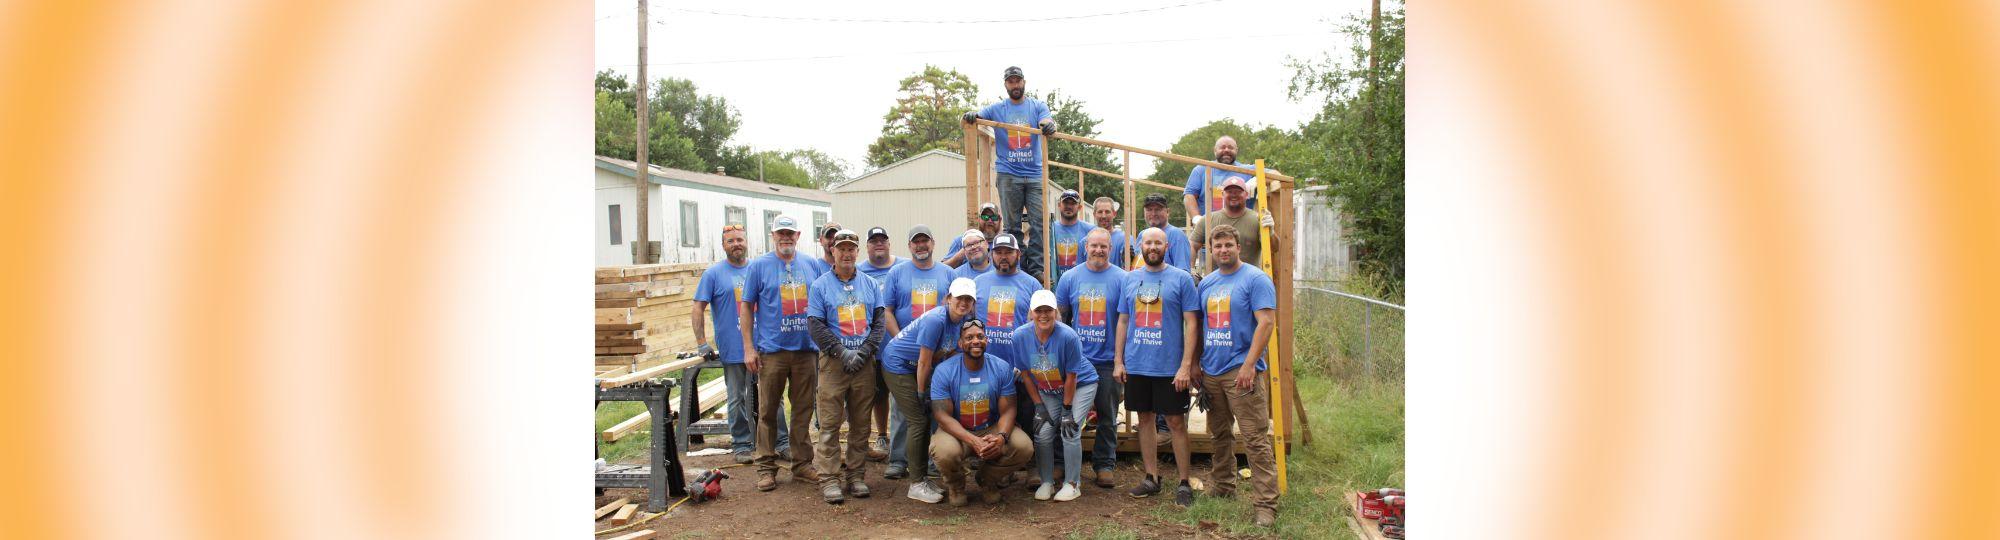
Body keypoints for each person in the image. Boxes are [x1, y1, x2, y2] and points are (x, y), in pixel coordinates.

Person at [1194, 224, 1281, 527]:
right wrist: (1196, 364)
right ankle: (1223, 487)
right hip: (1212, 371)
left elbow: (1266, 322)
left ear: (1238, 246)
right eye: (1217, 247)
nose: (1223, 251)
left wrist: (1249, 365)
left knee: (1255, 439)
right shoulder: (1207, 283)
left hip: (1241, 373)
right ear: (1211, 250)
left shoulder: (1255, 279)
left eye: (1228, 245)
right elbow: (1200, 327)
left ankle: (1265, 505)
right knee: (1219, 435)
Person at [1113, 227, 1202, 507]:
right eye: (1148, 242)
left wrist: (1186, 365)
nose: (1153, 247)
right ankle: (1151, 477)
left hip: (1170, 367)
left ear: (1166, 246)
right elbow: (1123, 321)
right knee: (1145, 419)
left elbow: (1191, 323)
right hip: (1138, 364)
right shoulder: (1130, 279)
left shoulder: (1181, 279)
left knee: (1175, 422)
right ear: (1140, 245)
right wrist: (1119, 360)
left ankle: (1184, 482)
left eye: (1158, 243)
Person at [805, 229, 892, 504]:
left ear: (857, 251)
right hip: (833, 363)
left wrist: (864, 351)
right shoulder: (820, 285)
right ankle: (830, 478)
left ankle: (856, 475)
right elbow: (815, 325)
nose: (846, 253)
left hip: (864, 364)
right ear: (833, 251)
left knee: (860, 423)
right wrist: (842, 352)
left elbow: (879, 322)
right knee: (830, 424)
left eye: (851, 248)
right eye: (841, 248)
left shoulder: (869, 285)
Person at [739, 215, 825, 491]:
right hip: (772, 351)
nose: (785, 238)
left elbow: (823, 303)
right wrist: (749, 348)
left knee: (803, 409)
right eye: (780, 233)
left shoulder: (811, 265)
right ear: (772, 236)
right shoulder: (759, 266)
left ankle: (802, 465)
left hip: (805, 350)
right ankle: (766, 466)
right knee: (767, 412)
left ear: (798, 235)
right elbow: (746, 306)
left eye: (790, 233)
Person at [692, 224, 789, 464]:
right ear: (723, 246)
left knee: (772, 397)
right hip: (733, 348)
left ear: (747, 242)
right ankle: (742, 444)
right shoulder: (714, 274)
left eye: (740, 240)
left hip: (765, 346)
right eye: (730, 241)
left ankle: (782, 442)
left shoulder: (759, 268)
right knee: (736, 398)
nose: (736, 244)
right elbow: (698, 307)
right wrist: (702, 342)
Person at [879, 277, 978, 503]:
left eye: (968, 299)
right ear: (949, 298)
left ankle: (924, 474)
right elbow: (924, 362)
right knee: (918, 420)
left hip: (917, 367)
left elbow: (946, 353)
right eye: (959, 298)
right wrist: (922, 392)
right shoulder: (937, 319)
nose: (963, 302)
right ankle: (916, 483)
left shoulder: (961, 321)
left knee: (927, 417)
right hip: (899, 365)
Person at [880, 225, 958, 481]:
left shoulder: (947, 273)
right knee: (904, 409)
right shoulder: (897, 272)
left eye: (925, 241)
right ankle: (899, 459)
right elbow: (887, 310)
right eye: (916, 242)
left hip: (935, 357)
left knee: (936, 407)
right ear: (909, 246)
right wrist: (901, 339)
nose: (920, 246)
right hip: (906, 352)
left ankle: (934, 460)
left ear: (933, 244)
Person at [963, 66, 1057, 278]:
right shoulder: (998, 109)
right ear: (1006, 85)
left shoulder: (1036, 106)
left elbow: (1046, 120)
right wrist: (972, 115)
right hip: (1009, 174)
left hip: (1034, 174)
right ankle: (1019, 266)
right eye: (1011, 82)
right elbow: (979, 116)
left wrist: (1048, 126)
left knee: (1039, 225)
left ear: (1024, 82)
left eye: (1018, 81)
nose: (1015, 85)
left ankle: (1037, 269)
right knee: (1013, 226)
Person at [928, 318, 1034, 506]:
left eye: (980, 336)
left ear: (987, 341)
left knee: (1023, 447)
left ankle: (987, 480)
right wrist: (973, 440)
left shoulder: (1001, 367)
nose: (975, 341)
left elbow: (1009, 409)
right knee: (944, 451)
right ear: (960, 344)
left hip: (990, 427)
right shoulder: (945, 370)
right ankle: (956, 486)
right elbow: (941, 416)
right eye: (969, 337)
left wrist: (1001, 437)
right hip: (957, 431)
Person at [1054, 228, 1127, 487]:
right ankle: (1060, 463)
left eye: (1103, 246)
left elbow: (1125, 321)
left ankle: (1104, 464)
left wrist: (1121, 359)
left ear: (1110, 249)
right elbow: (1060, 318)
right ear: (1085, 247)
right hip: (1076, 362)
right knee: (1068, 411)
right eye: (1094, 246)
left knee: (1107, 414)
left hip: (1107, 360)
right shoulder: (1070, 278)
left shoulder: (1122, 279)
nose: (1098, 250)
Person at [1014, 289, 1098, 502]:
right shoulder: (1020, 336)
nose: (1044, 315)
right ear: (1031, 313)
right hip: (1048, 388)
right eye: (1039, 310)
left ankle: (1073, 483)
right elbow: (1025, 373)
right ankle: (1047, 481)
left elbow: (1072, 376)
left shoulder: (1068, 336)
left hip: (1080, 385)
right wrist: (1039, 406)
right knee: (1042, 432)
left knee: (1069, 430)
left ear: (1056, 313)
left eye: (1048, 310)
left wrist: (1067, 410)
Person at [857, 226, 904, 463]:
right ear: (867, 246)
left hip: (898, 346)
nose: (878, 244)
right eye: (873, 241)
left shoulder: (903, 267)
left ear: (889, 243)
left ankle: (900, 443)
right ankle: (882, 435)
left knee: (900, 396)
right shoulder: (859, 271)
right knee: (876, 394)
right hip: (872, 347)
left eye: (882, 240)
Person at [1190, 177, 1278, 269]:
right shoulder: (1208, 219)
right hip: (1217, 281)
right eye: (1229, 192)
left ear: (1246, 195)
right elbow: (1192, 245)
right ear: (1222, 194)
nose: (1234, 195)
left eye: (1238, 192)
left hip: (1248, 281)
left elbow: (1274, 249)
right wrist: (1190, 271)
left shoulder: (1258, 219)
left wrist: (1271, 233)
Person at [1181, 135, 1259, 217]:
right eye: (1222, 147)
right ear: (1215, 150)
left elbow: (1273, 174)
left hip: (1242, 227)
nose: (1226, 150)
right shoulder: (1201, 170)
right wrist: (1196, 218)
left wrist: (1257, 179)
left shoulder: (1248, 170)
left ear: (1236, 150)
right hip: (1210, 227)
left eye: (1230, 147)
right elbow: (1189, 196)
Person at [1129, 193, 1193, 272]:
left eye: (1158, 209)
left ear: (1168, 211)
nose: (1153, 214)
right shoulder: (1142, 234)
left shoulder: (1176, 235)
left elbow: (1183, 273)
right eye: (1149, 210)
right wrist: (1131, 261)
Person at [1047, 189, 1097, 283]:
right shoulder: (1050, 229)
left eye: (1073, 203)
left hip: (1080, 282)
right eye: (1066, 203)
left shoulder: (1090, 231)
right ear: (1059, 205)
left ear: (1080, 207)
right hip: (1054, 283)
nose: (1069, 206)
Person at [941, 203, 1003, 268]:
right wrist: (962, 253)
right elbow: (943, 270)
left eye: (994, 217)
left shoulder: (1004, 243)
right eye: (985, 217)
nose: (990, 221)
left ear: (1000, 220)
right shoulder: (961, 241)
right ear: (978, 219)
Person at [1090, 197, 1130, 269]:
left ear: (1114, 214)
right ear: (1094, 214)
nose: (1104, 216)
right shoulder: (1086, 240)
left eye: (1107, 212)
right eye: (1100, 212)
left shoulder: (1125, 239)